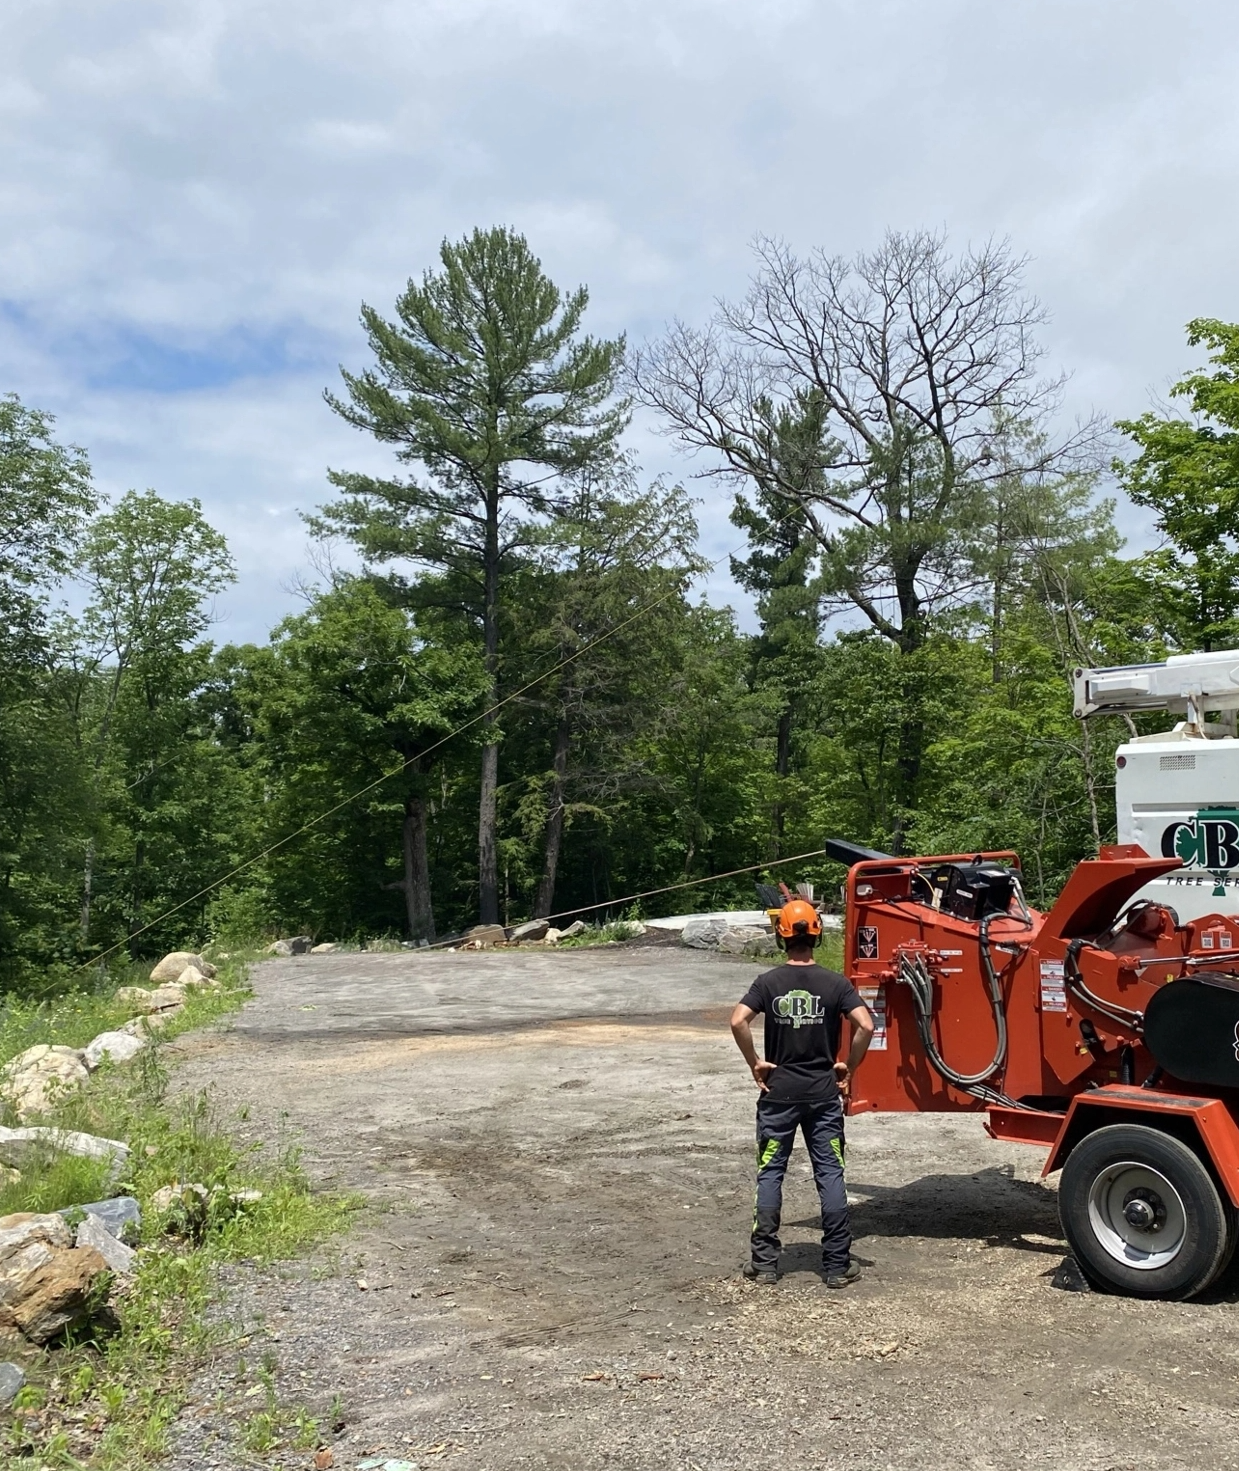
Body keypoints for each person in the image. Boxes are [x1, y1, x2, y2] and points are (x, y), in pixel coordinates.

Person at [729, 898, 874, 1288]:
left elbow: (738, 1020)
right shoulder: (836, 984)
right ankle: (837, 1264)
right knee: (829, 1172)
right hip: (822, 1095)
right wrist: (849, 1066)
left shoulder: (768, 983)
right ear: (816, 933)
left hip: (778, 1096)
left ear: (782, 936)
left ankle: (764, 1263)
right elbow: (866, 1026)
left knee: (770, 1173)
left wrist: (755, 1062)